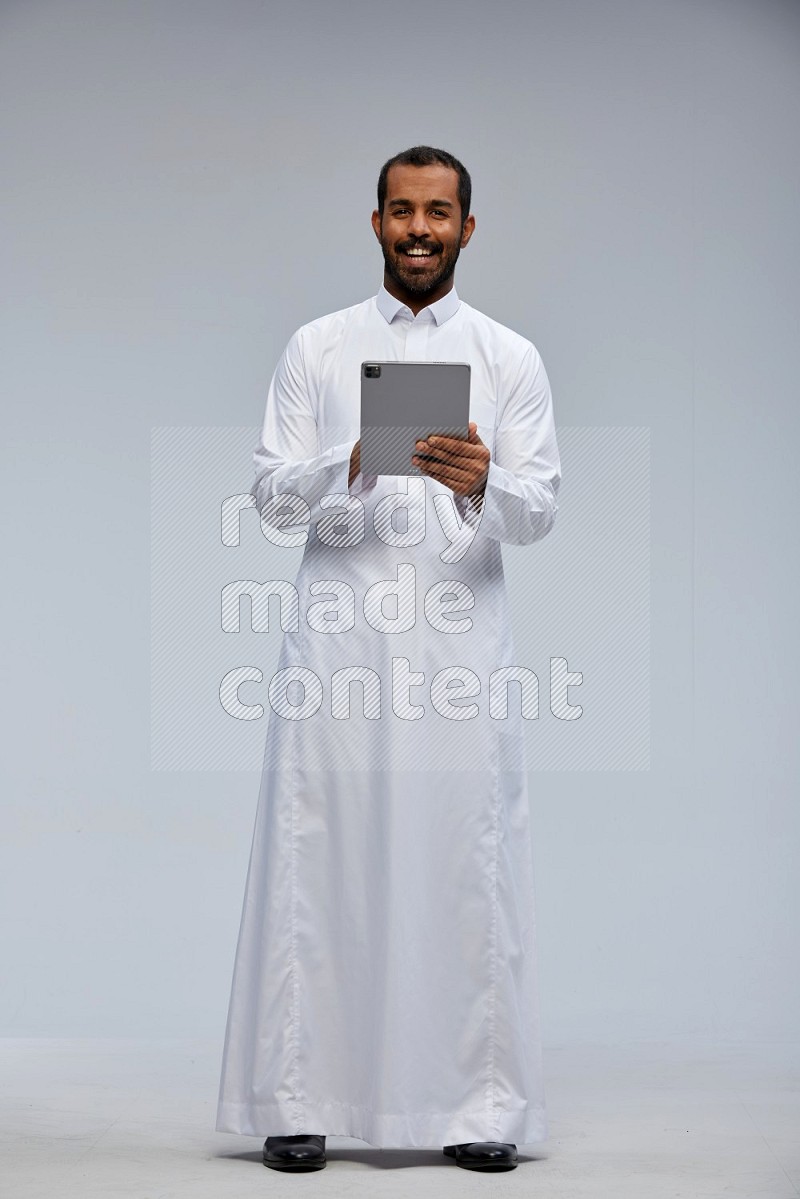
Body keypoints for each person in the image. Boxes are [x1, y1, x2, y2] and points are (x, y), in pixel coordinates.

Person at [216, 145, 561, 1174]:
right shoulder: (317, 349)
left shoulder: (510, 358)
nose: (419, 229)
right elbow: (271, 499)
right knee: (317, 857)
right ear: (374, 223)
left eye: (439, 212)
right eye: (401, 212)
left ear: (466, 227)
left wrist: (481, 479)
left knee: (468, 863)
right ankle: (298, 1097)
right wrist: (351, 457)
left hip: (458, 648)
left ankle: (478, 1106)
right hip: (339, 646)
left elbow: (539, 510)